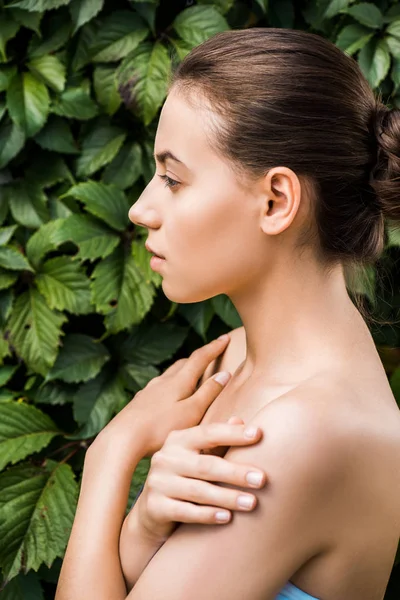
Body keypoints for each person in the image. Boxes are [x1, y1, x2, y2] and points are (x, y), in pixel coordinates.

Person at [55, 27, 400, 600]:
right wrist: (143, 525)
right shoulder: (239, 356)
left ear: (276, 201)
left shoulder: (307, 431)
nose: (141, 209)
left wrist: (110, 457)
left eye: (173, 178)